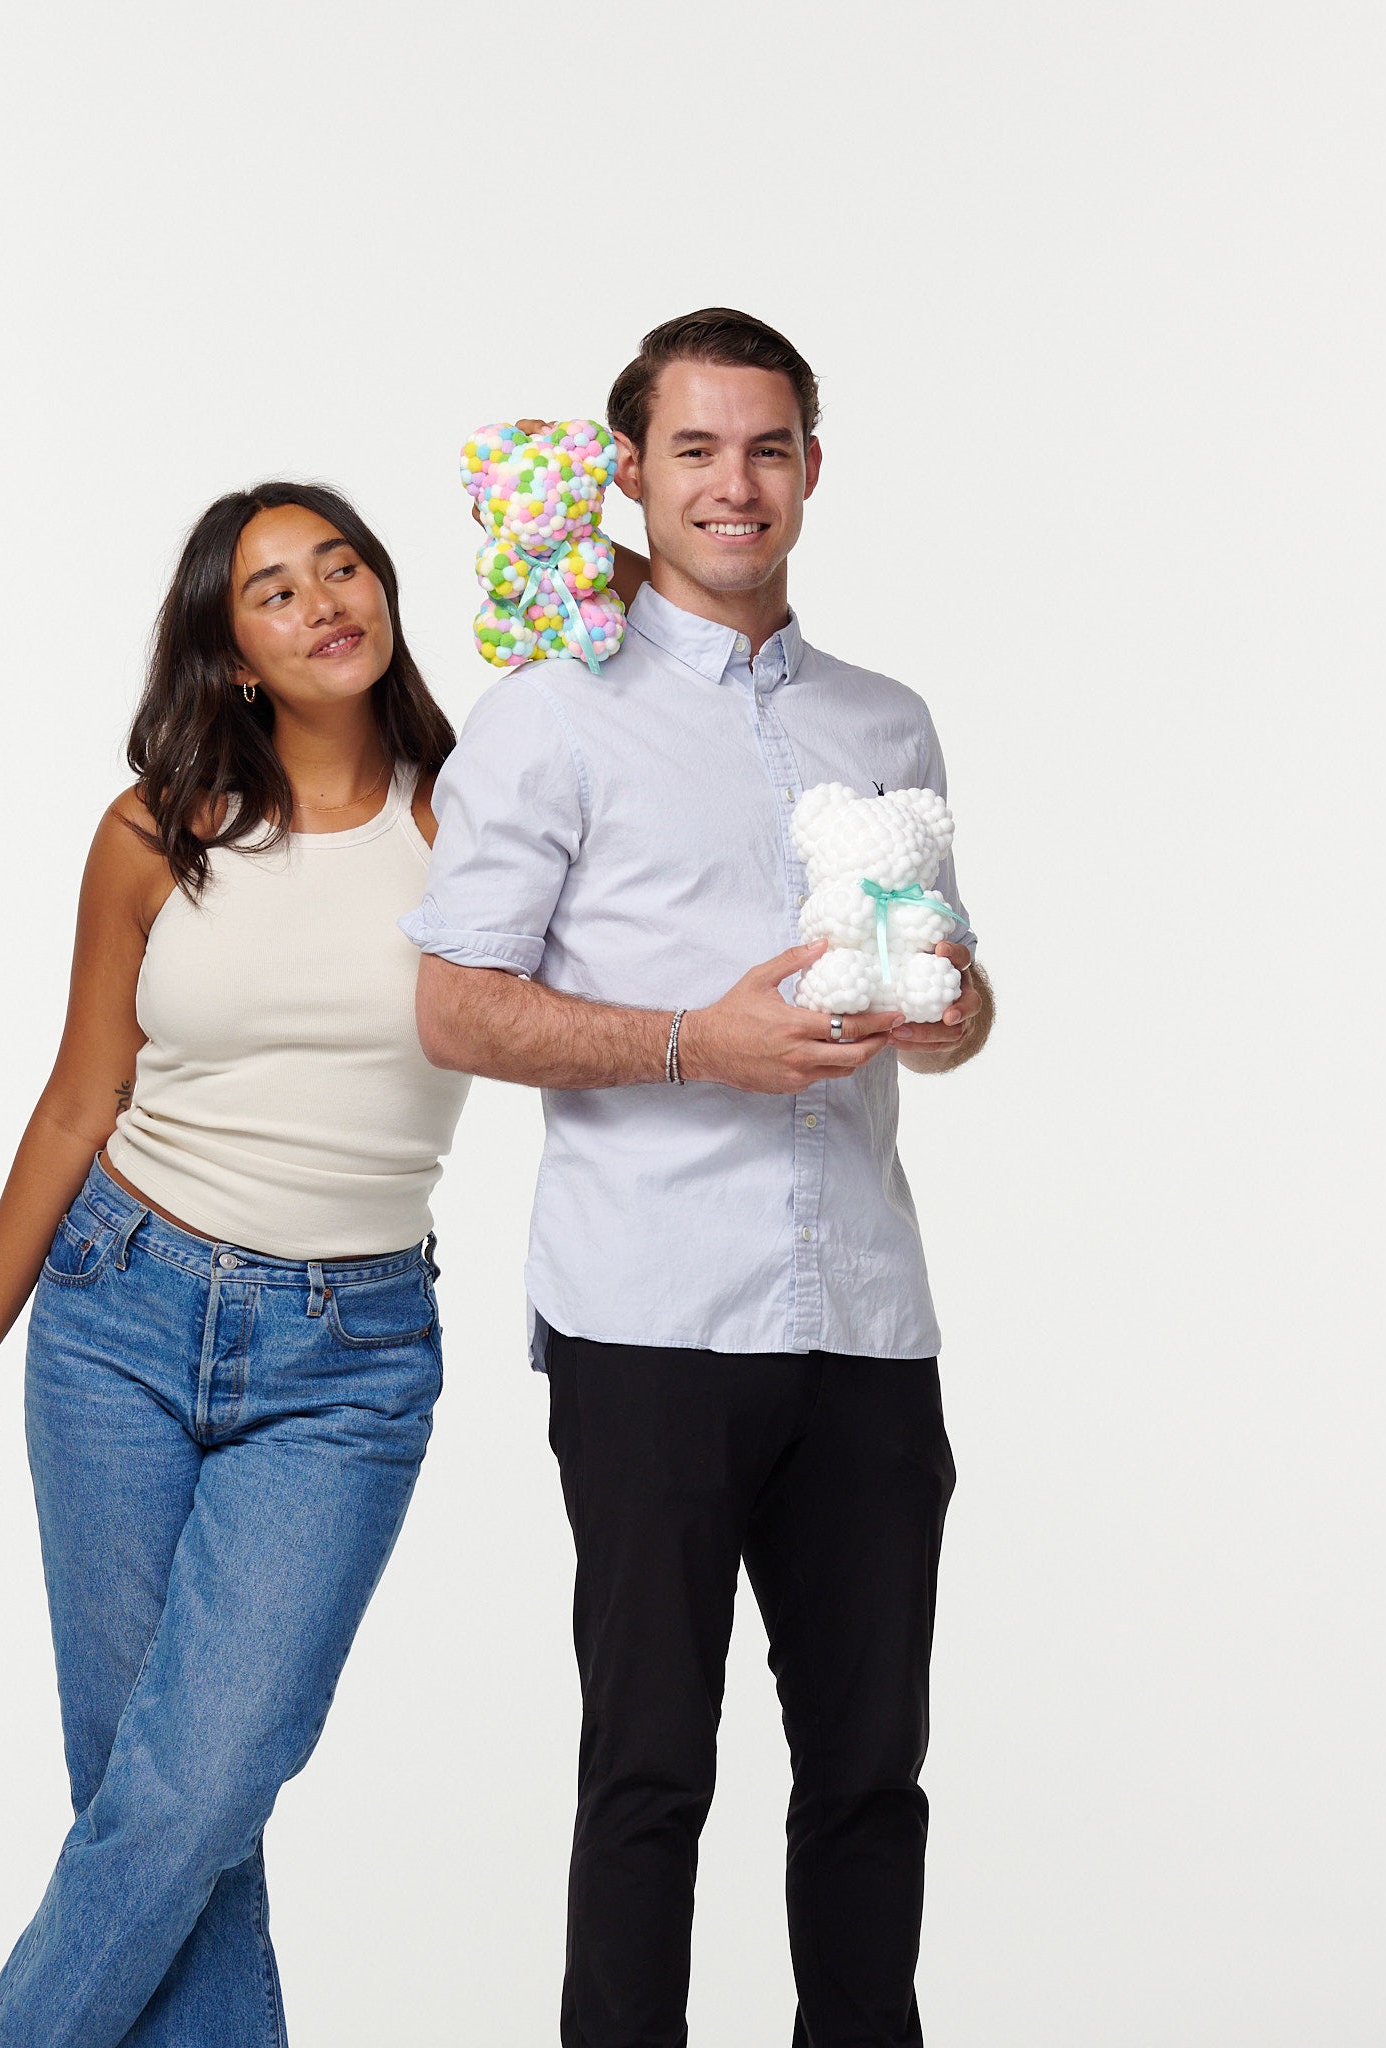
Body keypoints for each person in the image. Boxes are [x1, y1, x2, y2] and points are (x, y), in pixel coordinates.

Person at [404, 308, 994, 2048]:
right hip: (650, 1315)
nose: (733, 485)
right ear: (632, 474)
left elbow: (956, 987)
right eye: (694, 450)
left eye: (765, 447)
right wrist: (690, 1044)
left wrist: (950, 1013)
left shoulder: (888, 719)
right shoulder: (549, 719)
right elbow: (451, 1004)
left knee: (872, 1784)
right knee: (649, 1780)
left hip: (868, 1327)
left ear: (811, 466)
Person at [0, 481, 495, 2048]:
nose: (324, 600)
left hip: (350, 1354)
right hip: (118, 1307)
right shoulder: (153, 831)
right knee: (145, 1792)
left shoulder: (480, 814)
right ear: (231, 651)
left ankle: (3, 2038)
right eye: (273, 589)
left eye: (344, 566)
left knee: (206, 1773)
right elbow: (74, 1098)